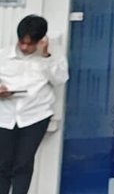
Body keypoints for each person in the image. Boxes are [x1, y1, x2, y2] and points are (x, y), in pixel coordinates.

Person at [0, 15, 68, 194]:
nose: (25, 47)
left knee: (23, 163)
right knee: (2, 163)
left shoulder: (53, 57)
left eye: (30, 44)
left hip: (35, 115)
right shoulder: (3, 56)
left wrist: (46, 56)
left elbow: (60, 79)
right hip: (4, 115)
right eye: (22, 42)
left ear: (41, 40)